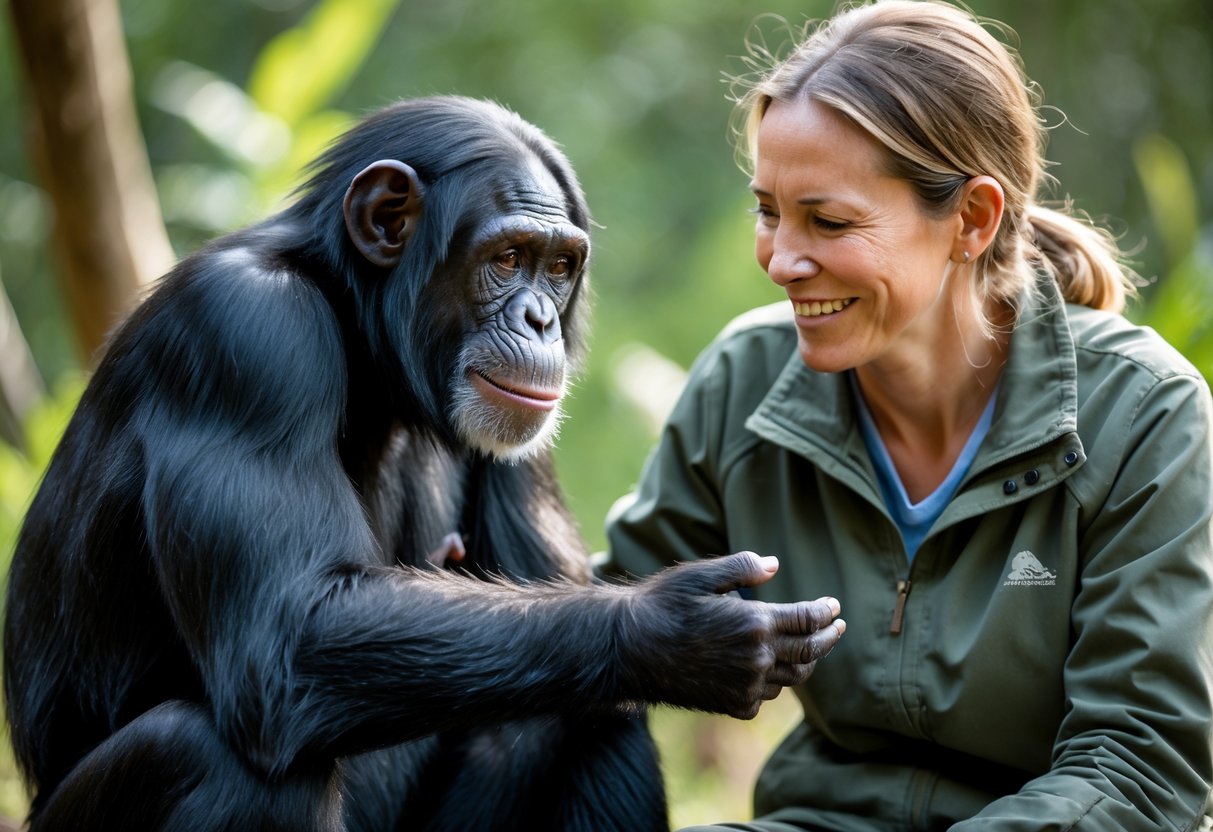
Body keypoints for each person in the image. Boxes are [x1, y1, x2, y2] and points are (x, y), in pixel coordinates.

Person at [603, 1, 1213, 829]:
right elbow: (606, 631)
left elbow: (1140, 764)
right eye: (767, 211)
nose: (781, 259)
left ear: (971, 219)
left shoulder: (1143, 414)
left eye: (828, 220)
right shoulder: (743, 378)